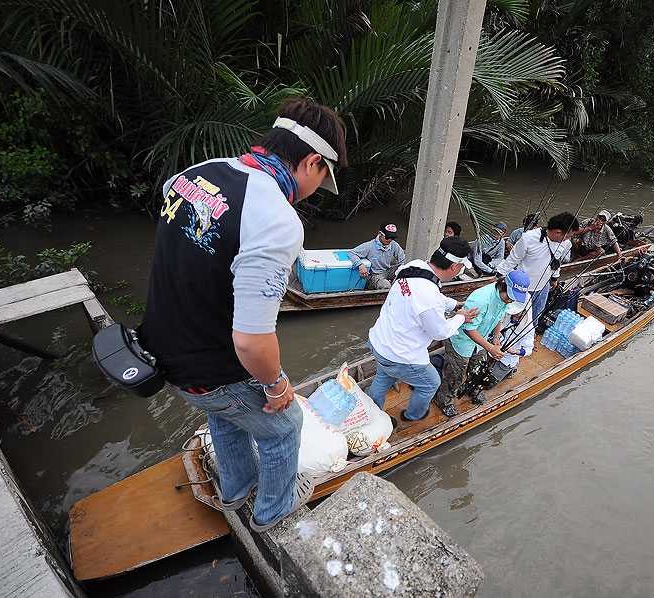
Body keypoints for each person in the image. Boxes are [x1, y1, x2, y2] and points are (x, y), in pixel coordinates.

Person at [138, 98, 348, 532]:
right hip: (208, 364)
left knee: (228, 410)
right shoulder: (276, 219)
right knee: (286, 424)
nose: (314, 190)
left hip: (159, 347)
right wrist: (278, 387)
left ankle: (235, 490)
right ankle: (273, 515)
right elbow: (251, 341)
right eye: (322, 176)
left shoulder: (194, 174)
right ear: (312, 162)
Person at [367, 236, 480, 421]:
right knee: (431, 383)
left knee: (384, 375)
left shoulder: (415, 266)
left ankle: (372, 414)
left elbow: (429, 295)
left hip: (379, 341)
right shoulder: (428, 298)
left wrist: (453, 305)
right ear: (454, 267)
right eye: (461, 267)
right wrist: (461, 317)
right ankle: (413, 415)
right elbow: (440, 332)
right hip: (399, 354)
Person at [433, 270, 530, 415]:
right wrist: (490, 348)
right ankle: (444, 401)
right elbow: (468, 328)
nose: (511, 300)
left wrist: (496, 337)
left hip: (481, 341)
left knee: (479, 369)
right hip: (461, 341)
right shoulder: (481, 299)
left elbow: (499, 316)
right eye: (510, 296)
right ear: (503, 285)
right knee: (455, 374)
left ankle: (473, 390)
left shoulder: (504, 299)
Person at [495, 211, 578, 324]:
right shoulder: (529, 238)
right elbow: (513, 259)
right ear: (558, 232)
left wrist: (554, 279)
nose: (568, 239)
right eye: (568, 236)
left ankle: (530, 332)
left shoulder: (565, 243)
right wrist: (498, 276)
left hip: (543, 286)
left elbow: (556, 261)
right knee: (515, 316)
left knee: (534, 316)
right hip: (522, 287)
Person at [485, 306, 535, 389]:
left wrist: (513, 351)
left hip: (507, 358)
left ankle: (511, 369)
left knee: (488, 384)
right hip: (493, 349)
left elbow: (529, 350)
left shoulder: (528, 327)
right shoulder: (504, 314)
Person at [348, 222, 406, 289]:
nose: (390, 240)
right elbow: (351, 253)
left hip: (387, 271)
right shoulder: (369, 246)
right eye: (387, 237)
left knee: (408, 270)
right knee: (386, 286)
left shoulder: (394, 245)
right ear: (380, 234)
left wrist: (400, 274)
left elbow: (403, 259)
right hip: (374, 275)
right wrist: (360, 264)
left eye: (392, 238)